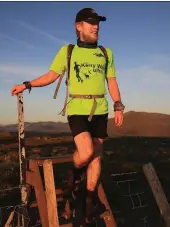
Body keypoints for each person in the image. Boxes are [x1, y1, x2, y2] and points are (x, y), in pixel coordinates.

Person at [11, 7, 125, 225]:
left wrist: (118, 105)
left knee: (97, 158)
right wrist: (27, 84)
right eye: (91, 22)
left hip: (100, 108)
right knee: (86, 151)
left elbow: (111, 80)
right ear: (78, 26)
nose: (96, 26)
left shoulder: (106, 53)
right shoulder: (68, 51)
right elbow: (51, 76)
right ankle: (71, 175)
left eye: (97, 22)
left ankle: (86, 205)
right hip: (77, 108)